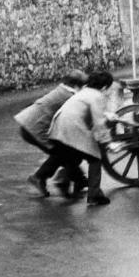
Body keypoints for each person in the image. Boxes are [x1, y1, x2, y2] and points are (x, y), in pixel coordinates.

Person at [14, 70, 89, 197]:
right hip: (36, 129)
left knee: (66, 152)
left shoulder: (62, 90)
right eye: (83, 86)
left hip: (29, 125)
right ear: (76, 85)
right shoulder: (69, 96)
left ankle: (73, 181)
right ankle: (42, 178)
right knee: (64, 153)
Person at [48, 71, 114, 206]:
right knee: (95, 158)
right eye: (109, 88)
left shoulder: (84, 92)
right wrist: (107, 142)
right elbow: (99, 123)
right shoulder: (98, 96)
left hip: (59, 126)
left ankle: (63, 180)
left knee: (75, 154)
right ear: (104, 87)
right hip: (73, 128)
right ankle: (94, 194)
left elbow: (83, 110)